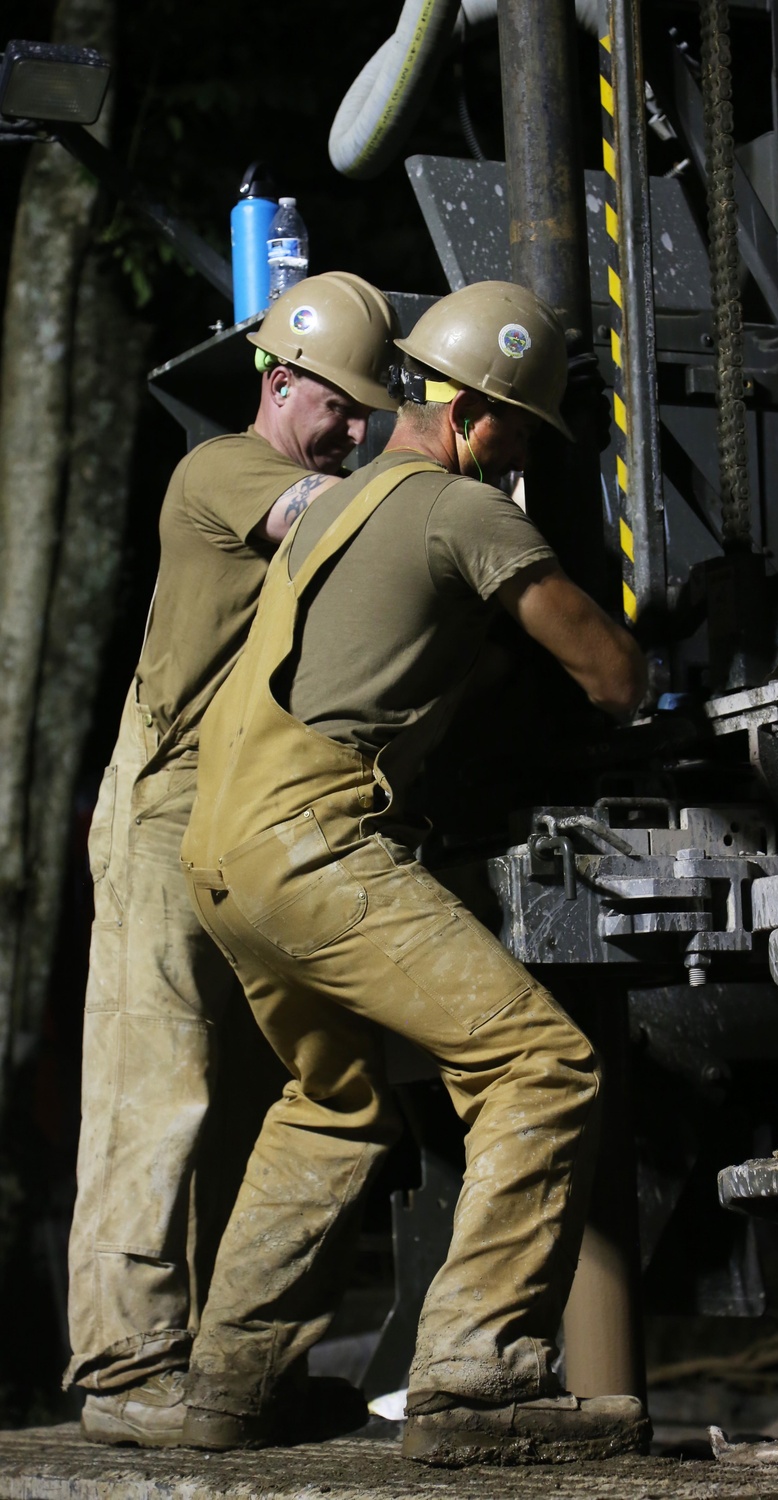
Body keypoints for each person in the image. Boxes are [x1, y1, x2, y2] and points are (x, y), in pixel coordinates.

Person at [176, 279, 651, 1465]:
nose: (521, 454)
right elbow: (613, 680)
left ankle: (229, 1386)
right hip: (317, 842)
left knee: (331, 1101)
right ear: (484, 417)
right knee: (541, 1066)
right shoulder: (463, 509)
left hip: (223, 847)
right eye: (525, 434)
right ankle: (475, 1380)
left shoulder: (345, 500)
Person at [66, 273, 400, 1448]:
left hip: (258, 819)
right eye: (341, 406)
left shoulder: (335, 471)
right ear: (278, 380)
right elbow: (343, 529)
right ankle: (124, 1365)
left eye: (371, 409)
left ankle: (228, 1369)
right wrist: (443, 443)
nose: (356, 428)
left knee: (271, 1086)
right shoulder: (221, 471)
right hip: (167, 804)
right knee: (155, 1082)